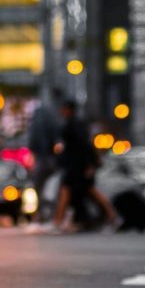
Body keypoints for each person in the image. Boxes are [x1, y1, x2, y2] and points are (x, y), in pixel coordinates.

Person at [51, 99, 117, 232]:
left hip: (77, 165)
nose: (61, 111)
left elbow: (84, 145)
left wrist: (89, 164)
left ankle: (58, 221)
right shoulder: (74, 124)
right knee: (85, 190)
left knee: (70, 190)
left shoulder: (74, 125)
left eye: (64, 109)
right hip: (76, 164)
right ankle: (111, 216)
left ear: (69, 110)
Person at [28, 91, 61, 204]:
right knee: (52, 183)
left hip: (44, 158)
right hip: (48, 157)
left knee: (40, 183)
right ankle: (46, 208)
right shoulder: (51, 116)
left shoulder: (39, 116)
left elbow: (33, 138)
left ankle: (43, 208)